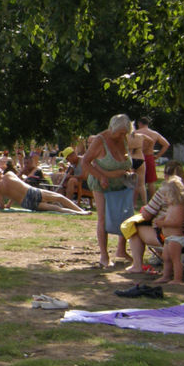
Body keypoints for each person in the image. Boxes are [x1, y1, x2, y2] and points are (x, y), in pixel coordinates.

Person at [125, 161, 184, 277]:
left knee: (134, 227)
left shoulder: (167, 193)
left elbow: (148, 214)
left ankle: (137, 265)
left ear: (166, 175)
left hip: (172, 237)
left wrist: (160, 221)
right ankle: (166, 274)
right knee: (168, 257)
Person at [82, 114, 136, 268]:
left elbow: (126, 159)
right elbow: (85, 162)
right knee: (103, 218)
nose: (122, 136)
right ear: (112, 128)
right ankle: (104, 256)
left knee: (125, 215)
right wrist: (100, 176)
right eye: (120, 133)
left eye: (125, 133)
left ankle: (121, 250)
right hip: (101, 184)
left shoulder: (123, 138)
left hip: (122, 182)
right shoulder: (100, 141)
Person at [0, 166, 89, 214]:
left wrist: (7, 206)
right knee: (59, 198)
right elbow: (18, 184)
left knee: (55, 209)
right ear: (0, 172)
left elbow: (1, 206)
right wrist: (10, 203)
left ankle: (78, 213)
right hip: (30, 192)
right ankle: (81, 211)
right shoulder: (9, 174)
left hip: (25, 202)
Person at [152, 176, 184, 285]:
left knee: (175, 259)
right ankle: (166, 276)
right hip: (168, 238)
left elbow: (177, 223)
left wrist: (163, 223)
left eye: (166, 196)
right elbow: (168, 217)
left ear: (173, 195)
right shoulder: (171, 207)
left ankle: (178, 279)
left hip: (176, 238)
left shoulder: (178, 207)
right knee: (166, 257)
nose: (164, 198)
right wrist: (160, 220)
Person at [136, 117, 170, 200]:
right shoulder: (154, 134)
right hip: (149, 157)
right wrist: (158, 156)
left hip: (138, 156)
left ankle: (135, 202)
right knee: (151, 182)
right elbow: (166, 144)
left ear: (139, 124)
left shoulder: (136, 133)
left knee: (137, 181)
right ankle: (153, 200)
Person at [129, 125, 147, 209]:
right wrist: (144, 148)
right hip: (140, 158)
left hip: (130, 159)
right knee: (141, 184)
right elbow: (150, 141)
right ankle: (145, 203)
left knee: (131, 184)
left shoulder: (126, 138)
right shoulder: (140, 136)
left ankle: (133, 204)